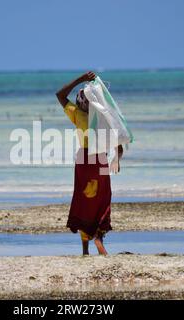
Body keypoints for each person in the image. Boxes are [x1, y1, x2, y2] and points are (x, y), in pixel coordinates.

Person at [56, 71, 123, 255]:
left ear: (79, 102)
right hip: (100, 159)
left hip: (83, 160)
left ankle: (85, 249)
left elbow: (60, 95)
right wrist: (117, 158)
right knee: (102, 197)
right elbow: (118, 138)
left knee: (85, 199)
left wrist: (80, 79)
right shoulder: (102, 116)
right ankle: (99, 239)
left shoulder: (77, 114)